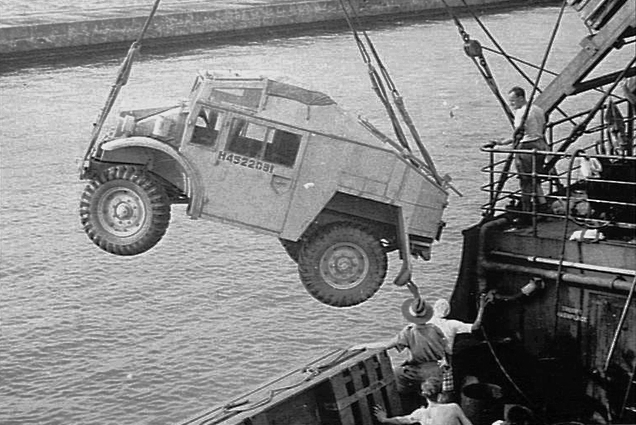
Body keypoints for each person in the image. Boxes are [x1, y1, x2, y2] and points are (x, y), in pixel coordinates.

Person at [353, 297, 447, 412]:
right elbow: (446, 347)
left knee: (396, 374)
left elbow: (386, 345)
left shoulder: (409, 331)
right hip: (437, 370)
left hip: (419, 371)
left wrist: (364, 345)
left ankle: (401, 405)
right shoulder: (435, 329)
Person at [494, 86, 549, 215]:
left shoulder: (521, 113)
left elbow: (519, 135)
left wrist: (501, 146)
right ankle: (543, 204)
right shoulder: (538, 110)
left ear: (520, 98)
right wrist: (502, 142)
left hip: (527, 149)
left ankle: (526, 211)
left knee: (525, 181)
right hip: (540, 145)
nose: (511, 104)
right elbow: (538, 128)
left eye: (513, 101)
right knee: (535, 178)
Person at [428, 295, 488, 402]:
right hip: (445, 361)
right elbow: (476, 326)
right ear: (448, 311)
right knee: (446, 392)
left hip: (428, 360)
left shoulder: (427, 323)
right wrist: (482, 307)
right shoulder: (452, 324)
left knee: (429, 387)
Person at [373, 377, 473, 424]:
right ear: (440, 394)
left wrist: (384, 419)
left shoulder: (420, 413)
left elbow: (402, 420)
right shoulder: (453, 408)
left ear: (423, 394)